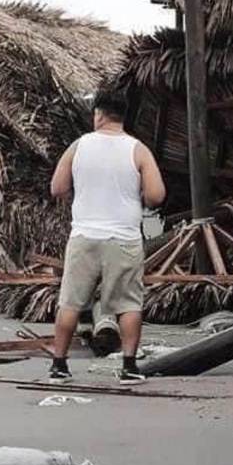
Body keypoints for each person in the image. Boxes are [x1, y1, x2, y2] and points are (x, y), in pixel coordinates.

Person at [48, 96, 165, 384]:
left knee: (71, 302)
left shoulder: (79, 146)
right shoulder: (138, 150)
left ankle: (59, 366)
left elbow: (57, 187)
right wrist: (138, 196)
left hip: (84, 235)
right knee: (128, 304)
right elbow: (156, 195)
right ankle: (128, 367)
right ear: (122, 116)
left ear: (99, 115)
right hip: (123, 237)